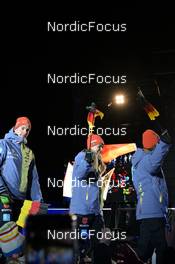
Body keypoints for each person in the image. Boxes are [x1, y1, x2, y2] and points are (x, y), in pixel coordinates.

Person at [0, 117, 43, 262]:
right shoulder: (3, 144)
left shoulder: (29, 153)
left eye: (28, 130)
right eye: (23, 128)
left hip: (20, 200)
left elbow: (34, 179)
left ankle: (12, 260)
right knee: (6, 233)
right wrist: (2, 190)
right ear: (16, 127)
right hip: (4, 197)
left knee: (15, 236)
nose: (25, 132)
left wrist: (38, 200)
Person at [132, 129, 171, 264]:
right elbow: (156, 159)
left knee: (144, 251)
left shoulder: (140, 161)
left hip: (149, 212)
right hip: (153, 212)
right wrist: (164, 143)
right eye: (157, 142)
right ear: (153, 144)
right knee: (161, 250)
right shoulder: (146, 161)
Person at [69, 133, 106, 263]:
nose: (101, 150)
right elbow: (79, 175)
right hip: (81, 210)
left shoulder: (97, 160)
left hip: (94, 211)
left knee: (95, 244)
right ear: (93, 145)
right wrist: (87, 161)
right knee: (78, 247)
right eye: (99, 147)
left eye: (102, 147)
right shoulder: (81, 156)